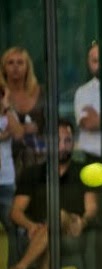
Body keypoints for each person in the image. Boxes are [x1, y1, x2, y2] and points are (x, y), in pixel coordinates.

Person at [0, 119, 99, 269]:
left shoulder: (83, 171)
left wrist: (82, 222)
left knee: (59, 214)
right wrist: (30, 226)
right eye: (57, 140)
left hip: (71, 231)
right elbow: (16, 212)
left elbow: (92, 208)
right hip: (39, 234)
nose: (62, 146)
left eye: (67, 141)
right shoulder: (33, 173)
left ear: (73, 142)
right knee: (47, 245)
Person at [0, 47, 46, 176]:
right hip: (7, 160)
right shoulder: (1, 94)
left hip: (39, 155)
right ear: (4, 67)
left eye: (20, 63)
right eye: (10, 63)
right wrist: (22, 128)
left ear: (27, 67)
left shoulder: (42, 92)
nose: (15, 67)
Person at [0, 84, 24, 269]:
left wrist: (7, 107)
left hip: (6, 182)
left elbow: (18, 135)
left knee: (14, 232)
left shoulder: (8, 114)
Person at [74, 41, 101, 159]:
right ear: (89, 64)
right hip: (90, 157)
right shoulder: (83, 92)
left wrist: (98, 118)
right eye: (95, 61)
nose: (99, 65)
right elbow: (89, 123)